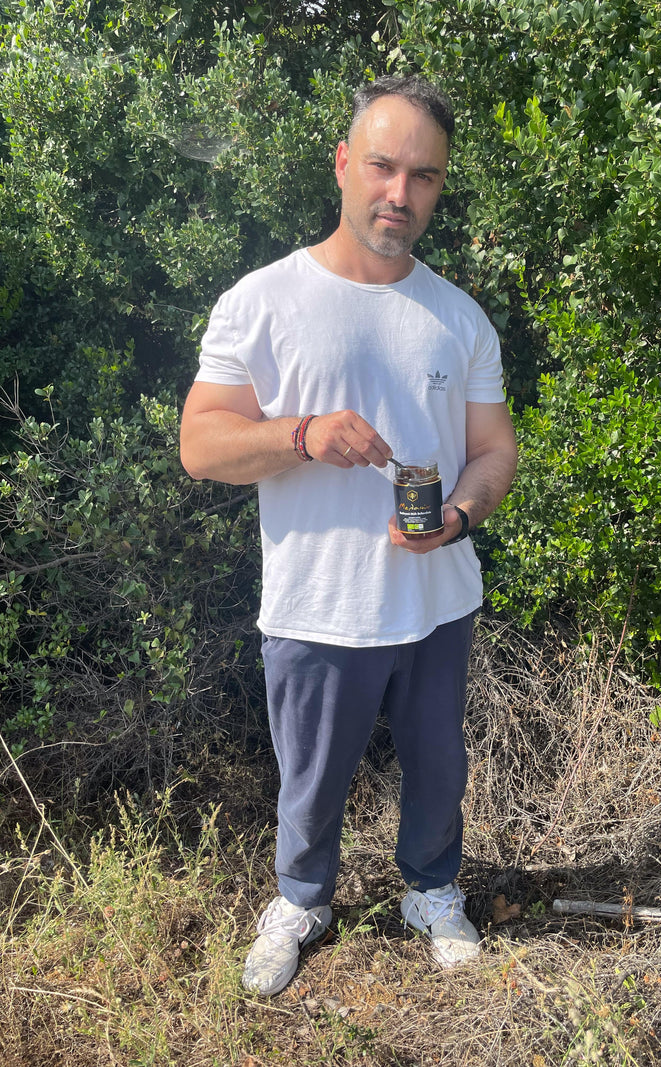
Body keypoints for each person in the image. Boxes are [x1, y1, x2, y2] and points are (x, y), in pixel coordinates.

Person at [179, 74, 518, 996]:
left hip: (436, 599)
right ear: (342, 163)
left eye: (424, 176)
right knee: (310, 780)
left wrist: (458, 517)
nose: (398, 194)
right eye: (381, 165)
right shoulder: (263, 300)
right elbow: (199, 442)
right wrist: (301, 435)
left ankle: (432, 890)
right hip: (316, 601)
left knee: (438, 767)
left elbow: (494, 452)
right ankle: (301, 899)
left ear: (441, 187)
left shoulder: (460, 316)